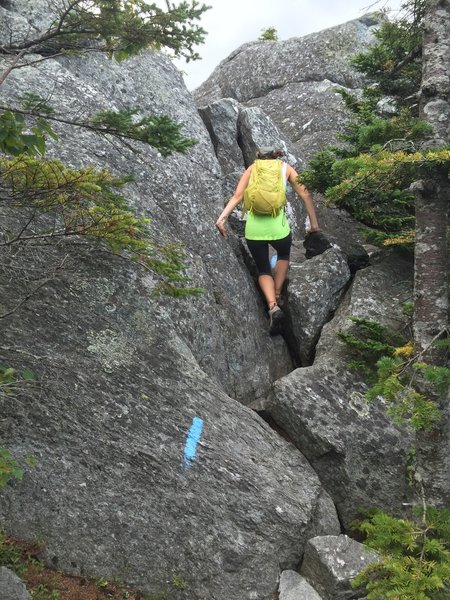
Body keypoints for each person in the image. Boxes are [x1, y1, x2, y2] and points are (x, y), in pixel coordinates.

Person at [215, 146, 320, 335]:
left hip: (254, 231)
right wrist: (314, 224)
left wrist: (221, 219)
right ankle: (278, 293)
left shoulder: (252, 169)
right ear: (276, 155)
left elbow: (237, 196)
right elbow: (305, 194)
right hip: (278, 230)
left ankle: (272, 307)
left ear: (258, 156)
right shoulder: (285, 168)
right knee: (283, 255)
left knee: (263, 268)